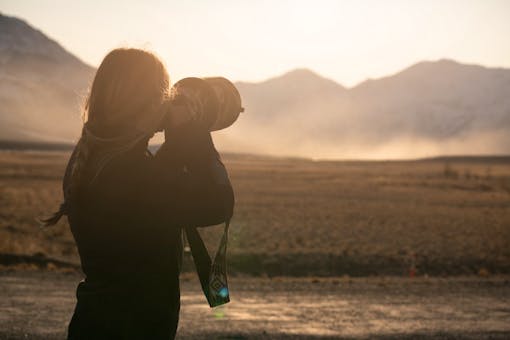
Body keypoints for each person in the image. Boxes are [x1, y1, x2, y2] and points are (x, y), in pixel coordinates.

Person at [41, 48, 235, 339]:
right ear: (146, 102)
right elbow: (218, 203)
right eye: (164, 95)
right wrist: (191, 133)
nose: (168, 103)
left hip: (96, 321)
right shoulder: (134, 174)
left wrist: (177, 137)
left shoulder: (91, 157)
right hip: (134, 328)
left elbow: (151, 193)